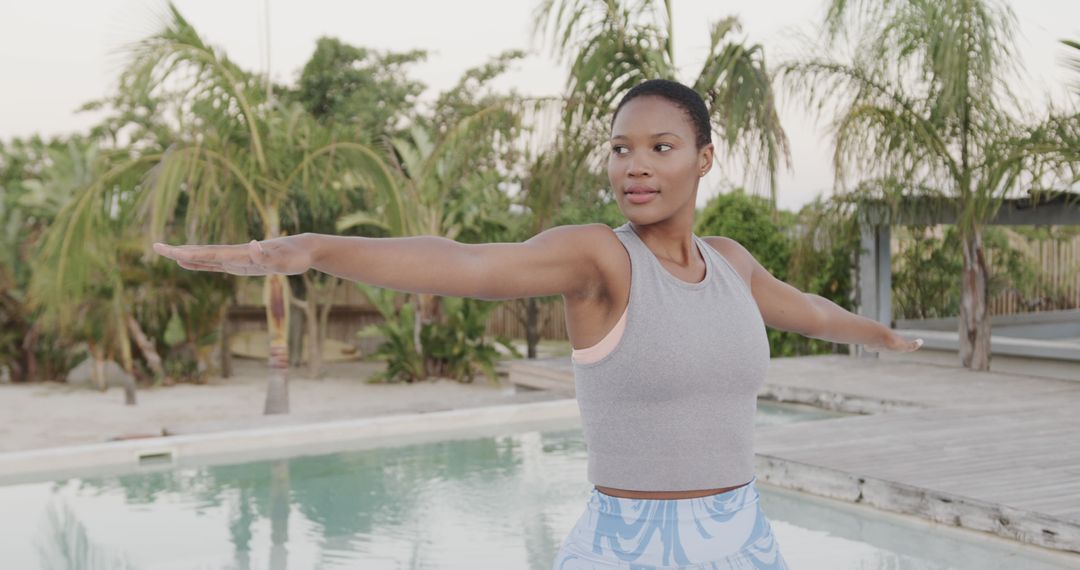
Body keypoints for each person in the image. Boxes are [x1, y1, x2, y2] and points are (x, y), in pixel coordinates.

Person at [154, 78, 923, 568]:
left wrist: (880, 335)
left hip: (743, 539)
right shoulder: (599, 260)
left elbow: (811, 312)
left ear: (705, 158)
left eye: (661, 147)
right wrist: (310, 250)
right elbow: (465, 264)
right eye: (621, 149)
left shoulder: (731, 263)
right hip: (630, 548)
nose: (636, 166)